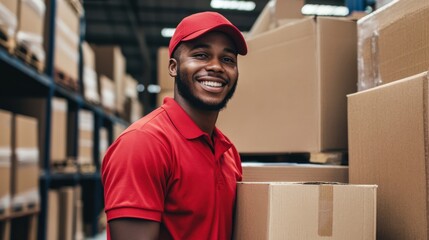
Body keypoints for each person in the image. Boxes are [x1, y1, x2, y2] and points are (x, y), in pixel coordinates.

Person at [101, 11, 248, 240]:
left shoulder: (228, 153)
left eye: (227, 59)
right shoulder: (143, 144)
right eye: (201, 55)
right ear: (173, 67)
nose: (216, 67)